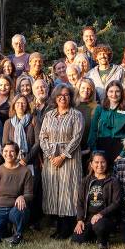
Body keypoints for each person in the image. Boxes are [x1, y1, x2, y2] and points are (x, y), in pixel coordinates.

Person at [39, 84, 84, 239]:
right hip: (51, 158)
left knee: (68, 191)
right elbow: (42, 136)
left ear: (70, 97)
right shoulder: (49, 114)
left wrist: (63, 156)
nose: (63, 98)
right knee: (53, 191)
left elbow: (77, 138)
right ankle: (58, 226)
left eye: (66, 95)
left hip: (69, 158)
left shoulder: (76, 115)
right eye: (60, 95)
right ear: (55, 97)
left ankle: (67, 227)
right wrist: (51, 156)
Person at [0, 142, 34, 244]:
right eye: (5, 151)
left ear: (17, 153)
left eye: (12, 151)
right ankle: (7, 229)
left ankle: (18, 234)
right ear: (2, 153)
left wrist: (22, 197)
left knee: (21, 210)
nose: (8, 154)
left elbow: (30, 194)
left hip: (15, 209)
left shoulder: (25, 171)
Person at [73, 153, 121, 249]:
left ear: (107, 164)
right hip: (89, 218)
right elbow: (80, 202)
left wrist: (100, 214)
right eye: (96, 162)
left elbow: (116, 203)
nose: (100, 165)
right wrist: (80, 220)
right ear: (91, 164)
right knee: (77, 239)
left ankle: (102, 241)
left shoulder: (113, 181)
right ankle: (95, 236)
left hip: (106, 217)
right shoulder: (85, 181)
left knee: (100, 226)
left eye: (103, 162)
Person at [89, 82, 125, 164]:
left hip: (120, 147)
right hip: (101, 146)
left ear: (121, 93)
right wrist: (95, 151)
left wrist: (122, 154)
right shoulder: (99, 109)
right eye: (111, 91)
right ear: (107, 93)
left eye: (117, 91)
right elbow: (93, 131)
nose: (114, 94)